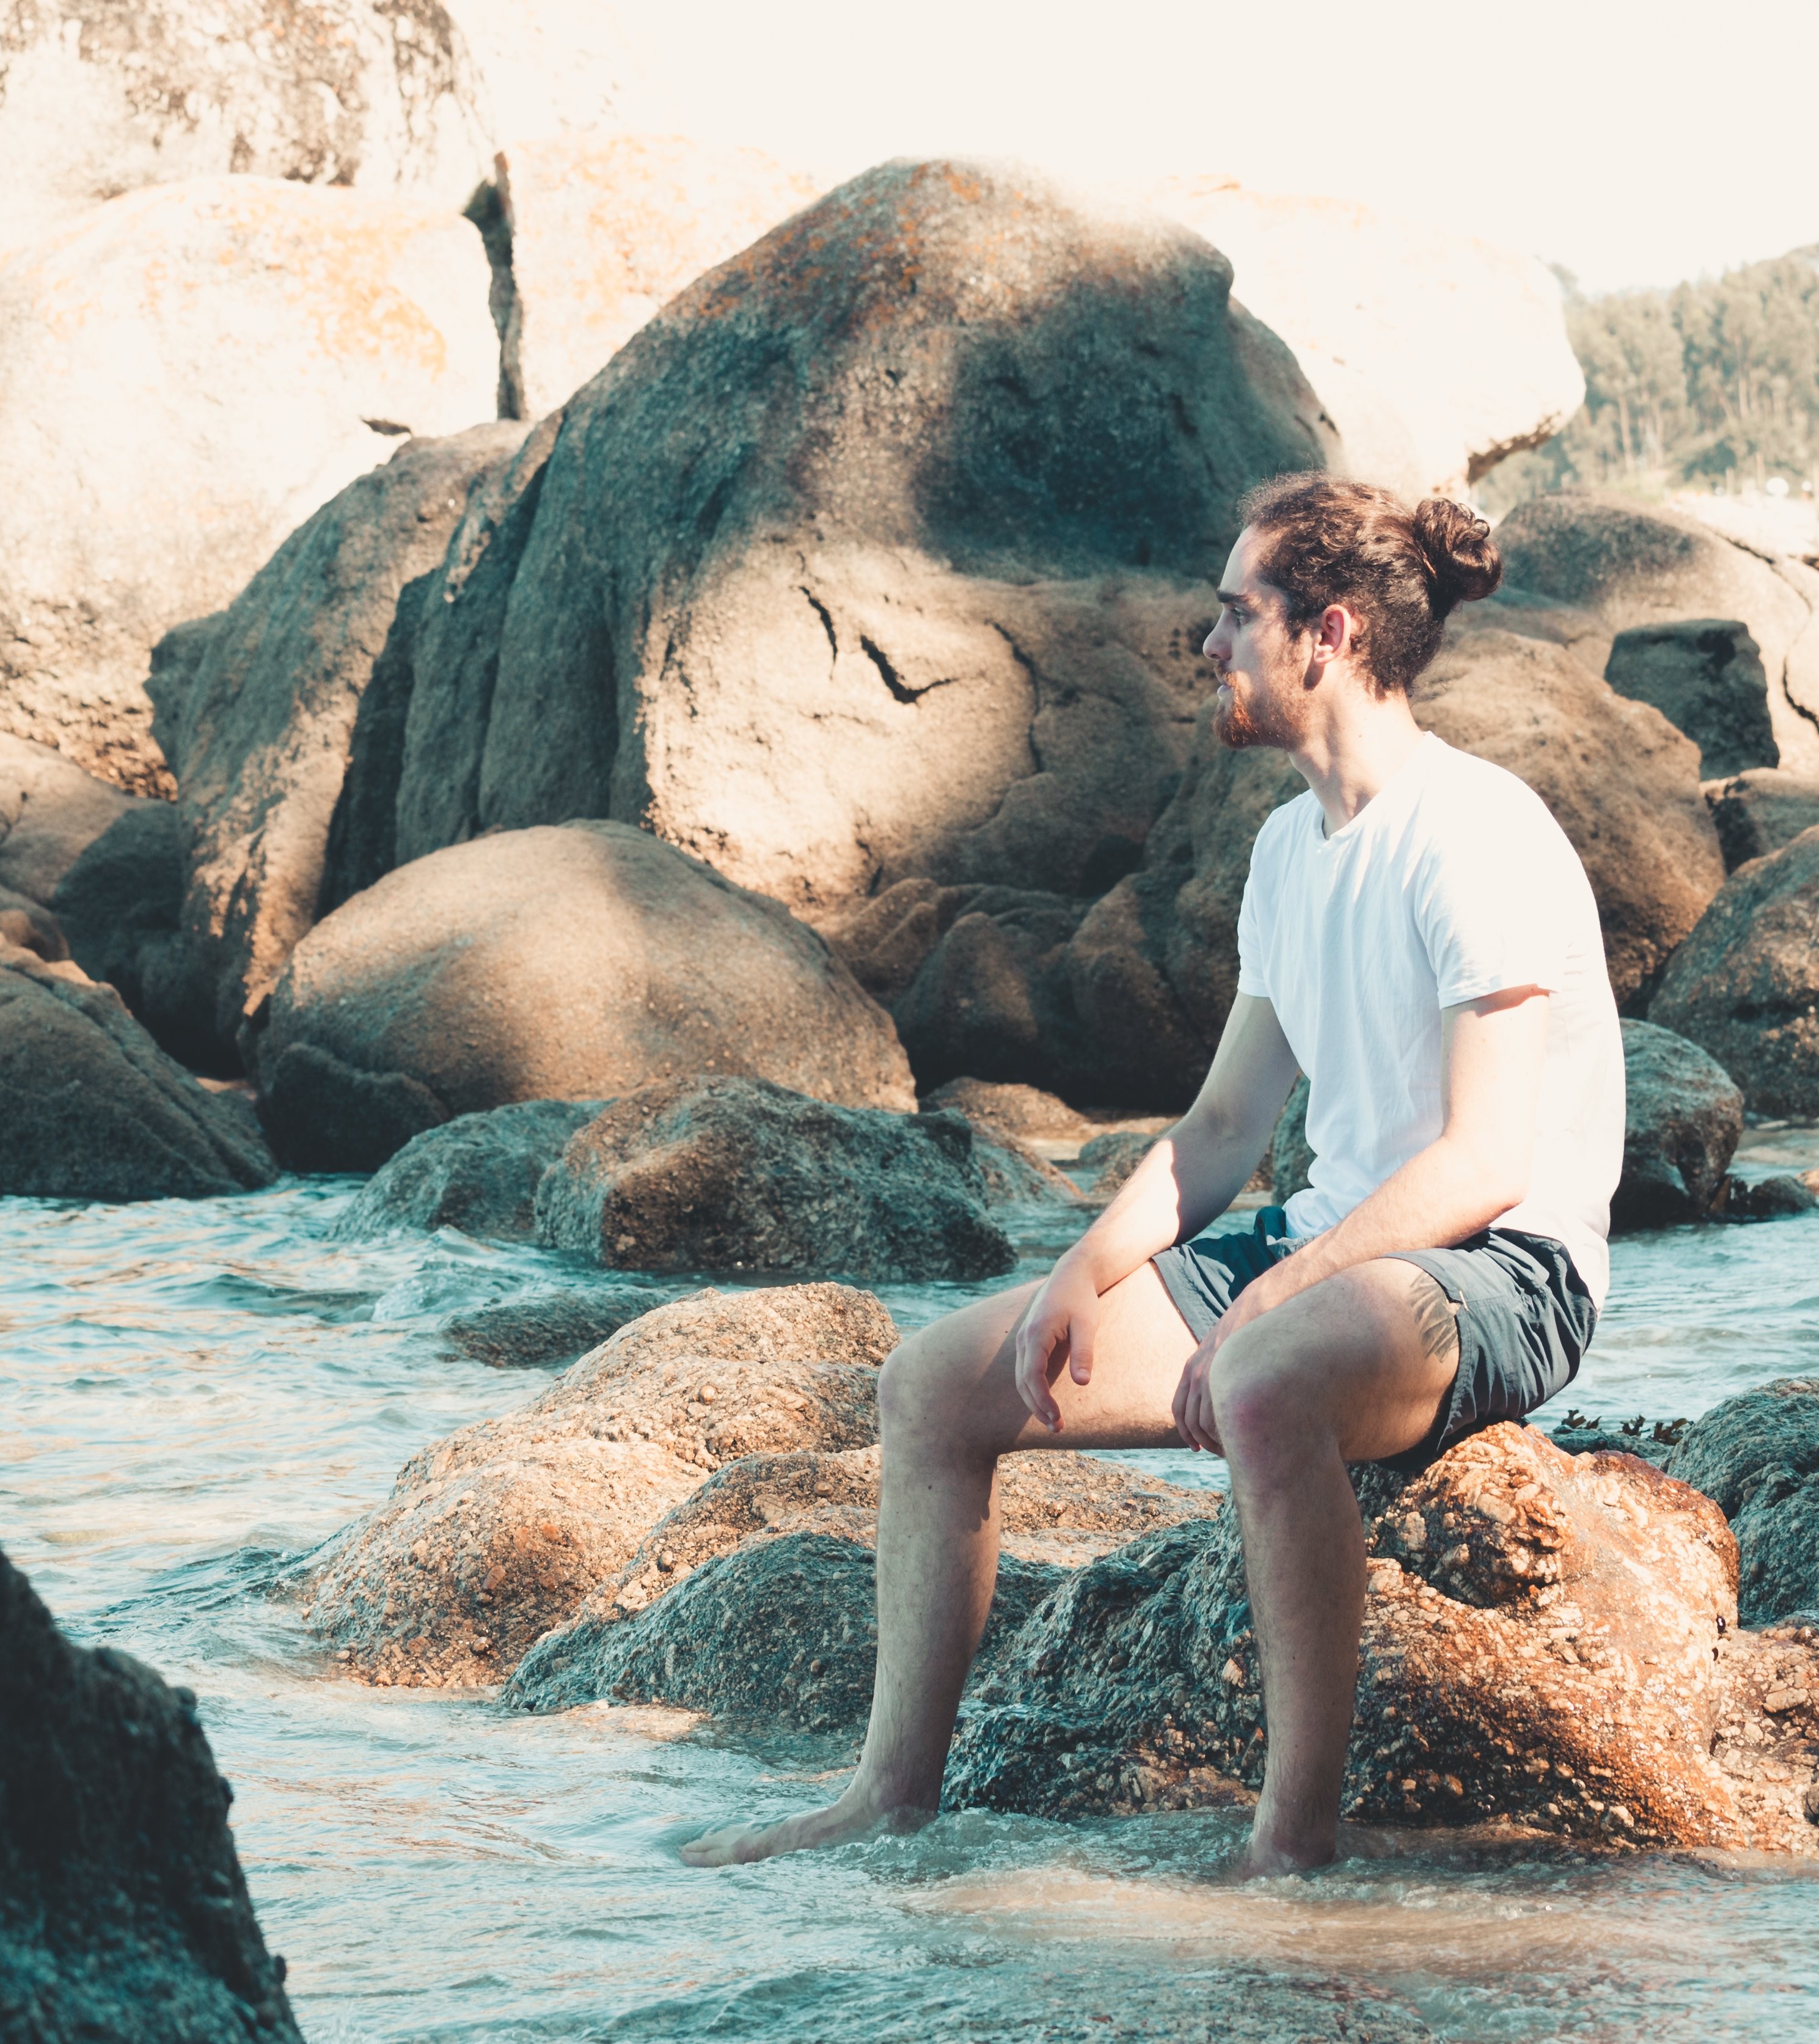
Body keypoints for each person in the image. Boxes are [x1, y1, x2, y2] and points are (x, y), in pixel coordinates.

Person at [681, 474, 1623, 1878]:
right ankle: (886, 1795)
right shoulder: (1287, 851)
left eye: (1236, 613)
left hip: (1502, 1267)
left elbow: (1486, 1162)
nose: (1207, 643)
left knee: (1258, 1377)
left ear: (1331, 635)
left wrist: (1275, 1299)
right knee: (936, 1385)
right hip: (1337, 1250)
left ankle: (1292, 1842)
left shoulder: (1474, 832)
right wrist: (1082, 1272)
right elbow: (1220, 1129)